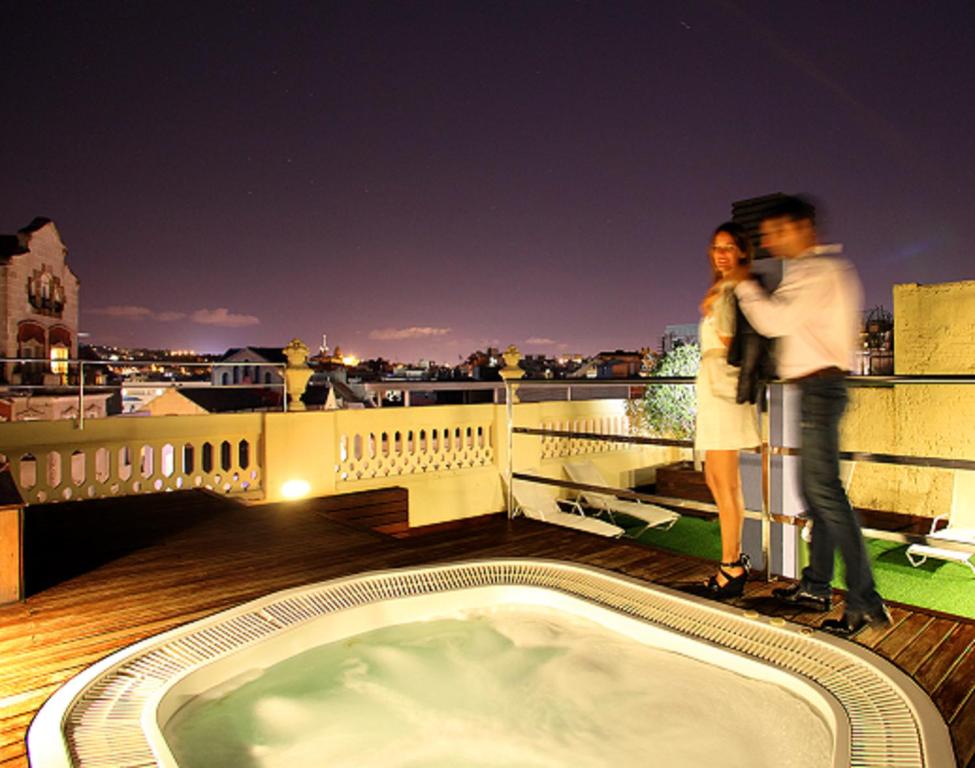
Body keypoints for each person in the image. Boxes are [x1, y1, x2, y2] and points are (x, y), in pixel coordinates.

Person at [731, 195, 890, 637]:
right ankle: (817, 586)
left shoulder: (815, 272)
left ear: (802, 228)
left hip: (820, 389)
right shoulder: (822, 271)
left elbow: (773, 322)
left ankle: (865, 600)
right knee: (817, 495)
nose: (769, 241)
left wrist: (743, 283)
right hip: (819, 390)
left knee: (827, 498)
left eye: (775, 232)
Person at [694, 222, 761, 599]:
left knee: (725, 482)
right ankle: (731, 562)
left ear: (742, 252)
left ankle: (731, 566)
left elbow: (732, 339)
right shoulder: (723, 290)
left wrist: (717, 305)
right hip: (715, 388)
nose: (721, 253)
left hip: (724, 386)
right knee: (716, 480)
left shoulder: (736, 290)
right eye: (716, 246)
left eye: (729, 247)